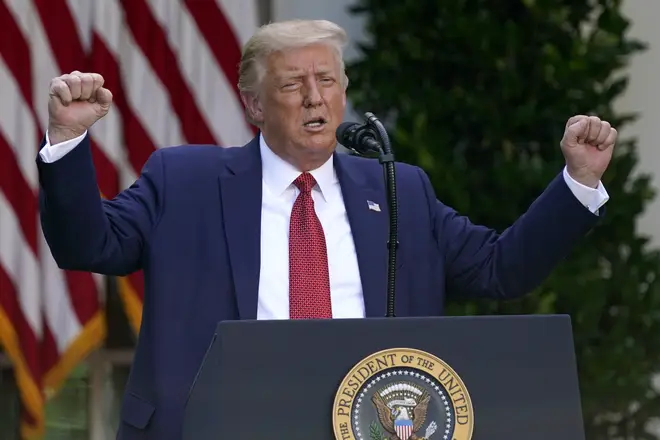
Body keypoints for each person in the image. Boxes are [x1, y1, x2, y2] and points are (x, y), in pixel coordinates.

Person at [37, 19, 615, 440]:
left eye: (328, 80)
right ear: (255, 105)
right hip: (216, 426)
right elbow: (89, 244)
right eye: (292, 84)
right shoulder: (185, 180)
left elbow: (498, 268)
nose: (315, 98)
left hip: (363, 423)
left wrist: (577, 183)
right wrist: (67, 143)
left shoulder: (398, 190)